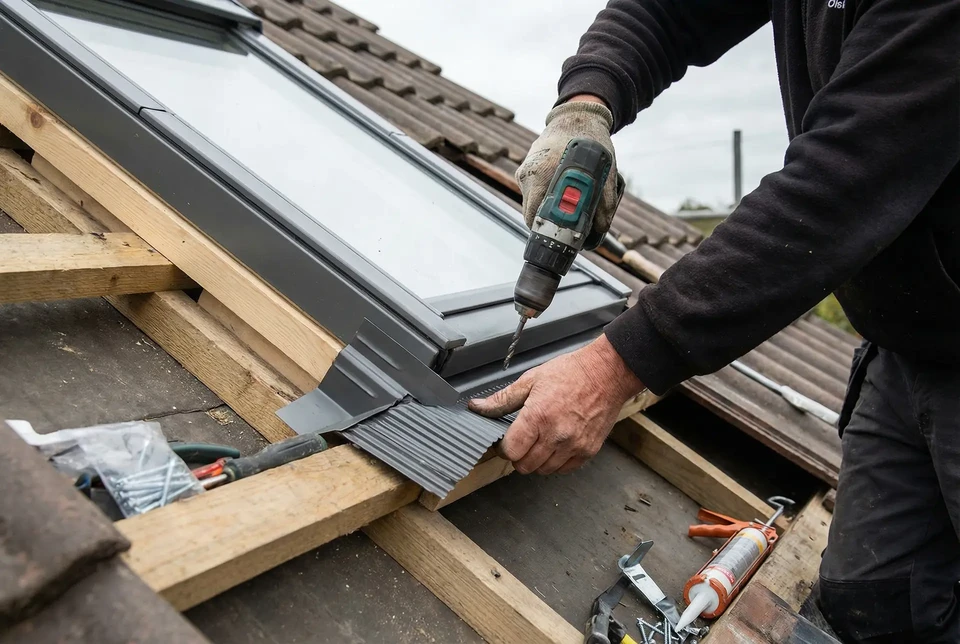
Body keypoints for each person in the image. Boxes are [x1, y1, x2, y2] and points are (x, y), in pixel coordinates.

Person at [467, 1, 960, 641]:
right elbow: (668, 12)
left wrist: (616, 365)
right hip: (907, 345)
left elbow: (840, 184)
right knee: (869, 608)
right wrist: (586, 104)